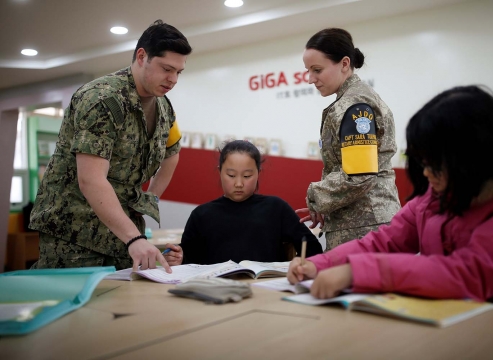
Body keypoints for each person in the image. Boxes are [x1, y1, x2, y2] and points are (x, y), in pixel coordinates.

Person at [287, 85, 493, 330]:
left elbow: (467, 275)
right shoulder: (440, 193)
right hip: (448, 322)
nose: (427, 173)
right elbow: (385, 241)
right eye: (423, 163)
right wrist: (321, 264)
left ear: (473, 158)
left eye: (436, 164)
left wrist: (355, 272)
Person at [29, 20, 192, 273]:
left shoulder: (163, 107)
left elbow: (172, 153)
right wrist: (135, 238)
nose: (173, 80)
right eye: (166, 69)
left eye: (178, 72)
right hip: (74, 233)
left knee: (124, 307)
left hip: (123, 233)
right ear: (142, 56)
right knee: (79, 310)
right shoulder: (102, 99)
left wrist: (147, 201)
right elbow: (91, 180)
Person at [297, 28, 401, 251]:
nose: (310, 79)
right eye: (308, 71)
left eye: (317, 70)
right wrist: (328, 205)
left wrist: (315, 195)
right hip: (362, 223)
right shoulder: (353, 99)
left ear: (344, 63)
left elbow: (359, 175)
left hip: (364, 229)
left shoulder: (354, 104)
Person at [163, 140, 323, 265]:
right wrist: (179, 258)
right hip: (218, 292)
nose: (239, 183)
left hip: (265, 291)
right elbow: (189, 259)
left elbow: (312, 247)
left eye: (247, 176)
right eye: (231, 175)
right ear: (220, 172)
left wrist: (303, 266)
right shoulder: (202, 215)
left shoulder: (276, 208)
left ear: (258, 173)